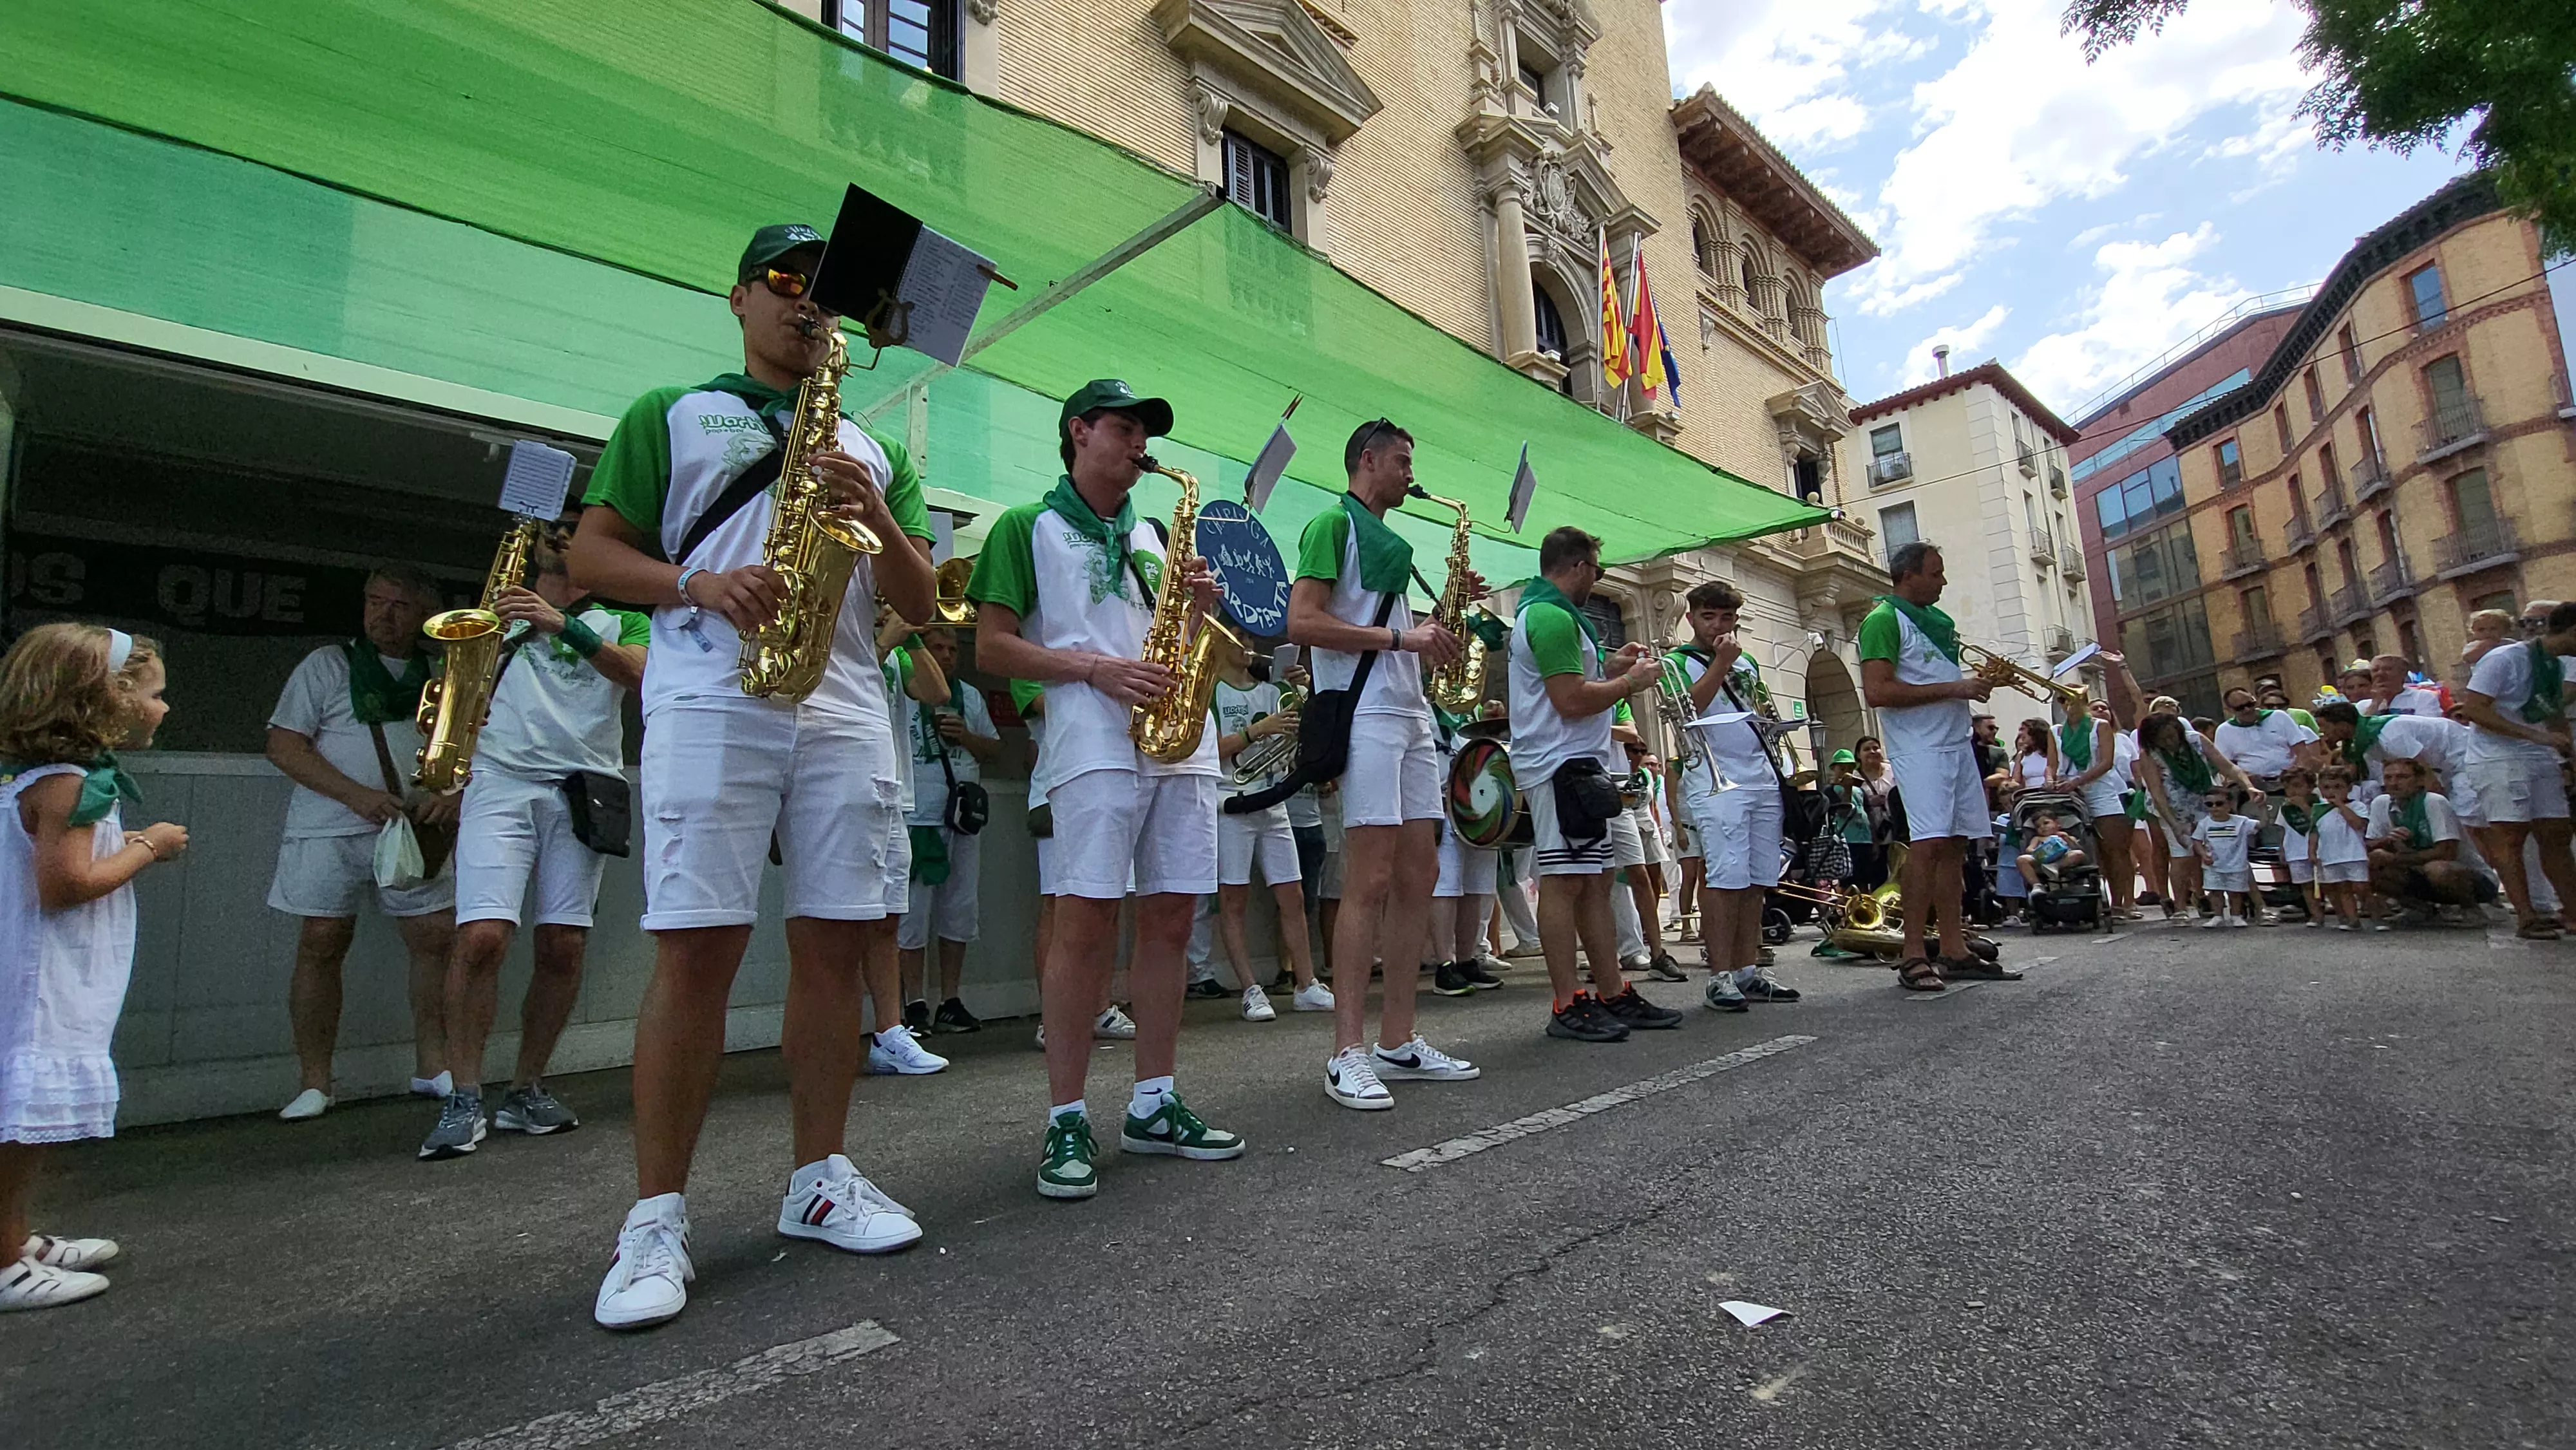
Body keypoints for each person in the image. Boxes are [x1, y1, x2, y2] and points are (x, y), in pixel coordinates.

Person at [568, 222, 938, 1329]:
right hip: (710, 692)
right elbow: (591, 558)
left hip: (843, 700)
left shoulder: (877, 448)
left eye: (822, 291)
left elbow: (921, 606)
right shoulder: (672, 412)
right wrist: (694, 582)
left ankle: (819, 1177)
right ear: (736, 298)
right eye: (783, 282)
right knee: (698, 951)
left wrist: (870, 509)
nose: (803, 303)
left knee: (835, 942)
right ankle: (654, 1219)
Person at [971, 378, 1244, 1198]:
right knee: (1084, 925)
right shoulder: (1027, 525)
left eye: (1143, 433)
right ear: (1078, 431)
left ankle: (1154, 1100)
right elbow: (991, 647)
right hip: (1090, 741)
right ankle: (1065, 1115)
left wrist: (1198, 612)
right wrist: (1091, 667)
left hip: (1177, 741)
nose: (1138, 446)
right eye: (1123, 429)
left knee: (1169, 915)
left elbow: (1191, 644)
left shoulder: (1159, 535)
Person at [418, 529, 649, 1160]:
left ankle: (526, 1085)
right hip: (501, 780)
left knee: (564, 944)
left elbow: (640, 674)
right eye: (560, 533)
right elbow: (460, 684)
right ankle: (464, 1094)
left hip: (583, 788)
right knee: (482, 936)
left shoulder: (623, 616)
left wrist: (562, 625)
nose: (568, 540)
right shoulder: (499, 606)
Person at [1285, 417, 1482, 1109]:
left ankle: (1398, 1037)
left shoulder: (1389, 543)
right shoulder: (1328, 525)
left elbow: (1388, 630)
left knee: (1419, 872)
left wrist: (1437, 623)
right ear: (1365, 460)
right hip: (1365, 713)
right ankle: (1346, 1049)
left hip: (1410, 715)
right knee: (1365, 877)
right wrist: (1404, 634)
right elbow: (1301, 621)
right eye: (1400, 461)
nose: (1408, 473)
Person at [0, 626, 185, 1312]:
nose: (164, 708)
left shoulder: (49, 778)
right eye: (155, 693)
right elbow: (65, 883)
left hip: (46, 967)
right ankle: (3, 1258)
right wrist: (147, 845)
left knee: (26, 1119)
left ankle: (14, 1234)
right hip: (46, 976)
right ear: (105, 699)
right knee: (20, 1121)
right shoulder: (71, 786)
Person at [267, 567, 460, 1120]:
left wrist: (455, 797)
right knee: (323, 939)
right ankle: (316, 1083)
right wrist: (357, 796)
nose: (384, 614)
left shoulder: (443, 670)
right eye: (376, 601)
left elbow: (475, 745)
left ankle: (433, 1067)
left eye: (399, 604)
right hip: (330, 825)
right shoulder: (328, 665)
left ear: (425, 613)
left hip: (417, 825)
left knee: (432, 938)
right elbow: (284, 746)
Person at [1509, 527, 1675, 1040]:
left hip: (1576, 766)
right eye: (1597, 571)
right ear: (1578, 566)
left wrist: (1609, 663)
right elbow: (1570, 699)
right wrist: (1631, 683)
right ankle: (1567, 1002)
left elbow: (1568, 680)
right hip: (1560, 767)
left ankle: (1611, 990)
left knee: (1597, 882)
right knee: (1564, 883)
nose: (1596, 581)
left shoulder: (1555, 616)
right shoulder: (1550, 616)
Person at [1857, 543, 2003, 992]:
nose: (1943, 581)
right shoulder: (1882, 620)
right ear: (1908, 576)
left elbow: (1937, 682)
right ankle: (1913, 952)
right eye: (1935, 573)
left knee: (1956, 844)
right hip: (1920, 748)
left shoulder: (1940, 622)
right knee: (1929, 843)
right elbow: (1878, 692)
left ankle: (1954, 948)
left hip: (1954, 742)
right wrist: (1958, 688)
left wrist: (1975, 686)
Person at [1667, 581, 1801, 1013]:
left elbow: (1760, 714)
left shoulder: (1747, 666)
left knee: (1757, 879)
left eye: (1726, 618)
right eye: (1709, 617)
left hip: (1760, 776)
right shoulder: (1677, 662)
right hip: (1715, 779)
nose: (1719, 626)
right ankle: (1720, 976)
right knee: (1723, 879)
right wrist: (1722, 664)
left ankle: (1747, 969)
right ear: (1691, 618)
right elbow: (1687, 712)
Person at [1209, 637, 1326, 1021]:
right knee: (1234, 900)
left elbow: (1308, 723)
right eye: (1234, 640)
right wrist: (1256, 732)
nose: (1245, 646)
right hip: (1230, 802)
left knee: (1292, 895)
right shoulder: (1211, 693)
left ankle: (1306, 983)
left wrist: (1303, 686)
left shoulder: (1275, 691)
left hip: (1273, 801)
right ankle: (1250, 989)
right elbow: (1206, 749)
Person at [896, 628, 1001, 1037]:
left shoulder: (969, 696)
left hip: (962, 816)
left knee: (960, 908)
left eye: (953, 649)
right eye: (938, 647)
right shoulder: (904, 687)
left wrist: (967, 736)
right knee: (913, 912)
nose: (946, 655)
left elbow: (994, 749)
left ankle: (951, 1000)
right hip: (918, 815)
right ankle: (914, 1001)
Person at [2451, 600, 2576, 939]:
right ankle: (2527, 916)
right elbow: (2475, 709)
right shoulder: (2504, 658)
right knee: (2510, 836)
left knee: (2556, 834)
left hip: (2538, 756)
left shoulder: (2553, 663)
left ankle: (2572, 911)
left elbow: (2552, 712)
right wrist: (2536, 736)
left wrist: (2566, 754)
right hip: (2498, 759)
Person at [2132, 711, 2259, 921]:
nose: (2170, 742)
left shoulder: (2196, 740)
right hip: (2172, 810)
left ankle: (2212, 899)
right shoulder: (2150, 755)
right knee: (2181, 855)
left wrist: (2249, 787)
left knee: (2213, 853)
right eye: (2163, 739)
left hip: (2205, 803)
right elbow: (2157, 792)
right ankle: (2180, 907)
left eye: (2172, 736)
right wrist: (2174, 825)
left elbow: (2227, 766)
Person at [2363, 757, 2481, 923]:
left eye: (2402, 777)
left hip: (2466, 875)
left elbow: (2448, 852)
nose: (2394, 783)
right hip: (2416, 870)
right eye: (2388, 778)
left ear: (2420, 780)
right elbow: (2369, 845)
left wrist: (2396, 859)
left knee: (2437, 869)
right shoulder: (2381, 803)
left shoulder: (2434, 802)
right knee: (2370, 861)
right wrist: (2386, 841)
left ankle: (2471, 908)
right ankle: (2419, 908)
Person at [2058, 695, 2138, 918]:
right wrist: (2052, 778)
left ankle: (2122, 903)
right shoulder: (2056, 730)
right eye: (2064, 700)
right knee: (2087, 851)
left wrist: (2077, 781)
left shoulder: (2100, 726)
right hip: (2071, 792)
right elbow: (2053, 764)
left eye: (2075, 700)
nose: (2070, 705)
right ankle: (2093, 902)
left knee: (2115, 850)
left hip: (2102, 789)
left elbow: (2106, 762)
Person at [2311, 766, 2372, 928]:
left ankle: (2378, 916)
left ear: (2349, 788)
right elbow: (2314, 832)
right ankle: (2352, 920)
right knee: (2342, 888)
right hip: (2330, 856)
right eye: (2327, 788)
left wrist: (2340, 805)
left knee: (2362, 888)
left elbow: (2359, 824)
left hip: (2354, 854)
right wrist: (2312, 852)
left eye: (2338, 787)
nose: (2332, 791)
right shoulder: (2318, 809)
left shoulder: (2357, 806)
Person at [2190, 787, 2259, 927]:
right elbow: (2196, 841)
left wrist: (2262, 808)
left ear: (2230, 805)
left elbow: (2261, 825)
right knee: (2215, 892)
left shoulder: (2242, 822)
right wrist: (2203, 855)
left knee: (2236, 892)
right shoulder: (2204, 824)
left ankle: (2236, 916)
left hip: (2236, 864)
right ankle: (2217, 916)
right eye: (2210, 804)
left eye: (2219, 803)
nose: (2214, 807)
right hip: (2213, 865)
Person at [2277, 767, 2325, 926]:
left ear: (2310, 787)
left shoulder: (2321, 804)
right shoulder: (2285, 808)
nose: (2292, 791)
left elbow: (2320, 823)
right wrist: (2282, 849)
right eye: (2288, 787)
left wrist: (2304, 806)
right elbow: (2284, 830)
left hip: (2320, 849)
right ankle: (2316, 915)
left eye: (2297, 786)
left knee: (2328, 883)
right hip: (2295, 851)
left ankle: (2340, 912)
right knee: (2306, 885)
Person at [1847, 736, 1896, 891]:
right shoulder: (1854, 778)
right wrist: (1868, 802)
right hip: (1872, 834)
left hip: (1897, 830)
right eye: (1867, 749)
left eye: (1876, 748)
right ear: (1858, 755)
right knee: (1878, 877)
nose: (1872, 752)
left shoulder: (1893, 771)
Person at [2016, 807, 2088, 890]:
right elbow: (2029, 849)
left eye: (2046, 823)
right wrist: (2038, 850)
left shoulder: (2064, 836)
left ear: (2057, 823)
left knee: (2079, 854)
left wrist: (2067, 839)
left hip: (2063, 859)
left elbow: (2077, 848)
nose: (2042, 827)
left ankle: (2054, 867)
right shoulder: (2038, 838)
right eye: (2038, 826)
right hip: (2043, 861)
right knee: (2021, 860)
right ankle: (2037, 886)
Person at [2367, 654, 2443, 717]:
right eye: (2375, 670)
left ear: (2403, 673)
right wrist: (2375, 704)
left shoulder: (2423, 698)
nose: (2380, 674)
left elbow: (2429, 728)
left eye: (2388, 669)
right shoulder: (2363, 706)